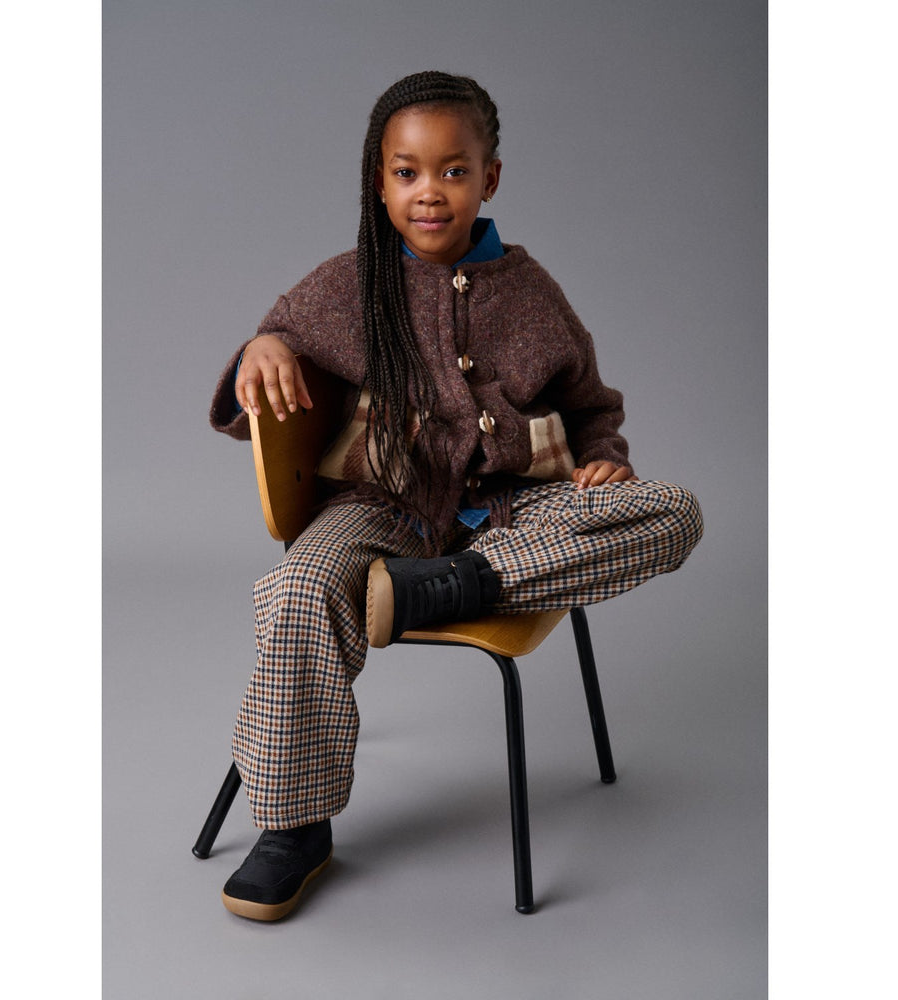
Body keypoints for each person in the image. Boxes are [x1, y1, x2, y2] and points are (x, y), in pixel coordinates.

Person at [208, 71, 703, 921]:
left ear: (490, 178)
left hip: (518, 514)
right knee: (297, 590)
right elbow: (271, 346)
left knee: (675, 512)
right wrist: (259, 347)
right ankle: (294, 827)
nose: (429, 192)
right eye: (406, 172)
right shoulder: (348, 284)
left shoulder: (531, 292)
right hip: (385, 507)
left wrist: (604, 460)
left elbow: (591, 407)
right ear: (379, 182)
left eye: (453, 171)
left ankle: (452, 586)